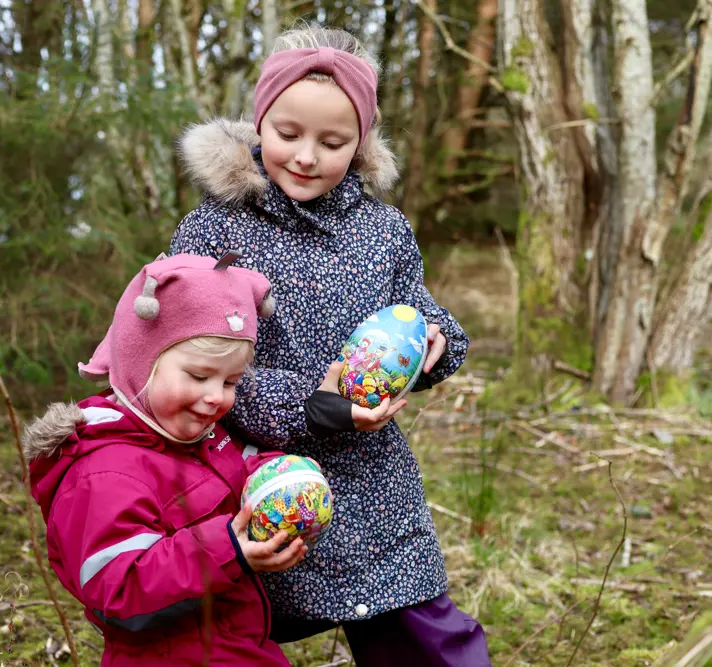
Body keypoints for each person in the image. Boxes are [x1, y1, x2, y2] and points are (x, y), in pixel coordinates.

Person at [170, 25, 492, 667]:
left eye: (333, 142)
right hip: (255, 475)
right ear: (259, 120)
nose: (307, 157)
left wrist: (435, 341)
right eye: (288, 134)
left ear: (362, 144)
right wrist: (312, 405)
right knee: (227, 637)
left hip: (373, 481)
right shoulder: (215, 229)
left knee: (423, 635)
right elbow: (191, 357)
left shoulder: (384, 231)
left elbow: (414, 309)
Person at [24, 253, 308, 666]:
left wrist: (277, 475)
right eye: (197, 376)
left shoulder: (197, 435)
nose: (216, 396)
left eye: (230, 382)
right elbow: (118, 589)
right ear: (142, 364)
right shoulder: (103, 471)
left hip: (240, 647)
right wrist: (230, 548)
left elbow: (236, 469)